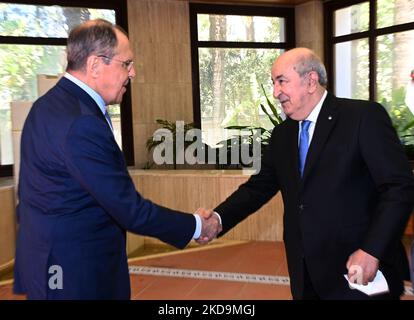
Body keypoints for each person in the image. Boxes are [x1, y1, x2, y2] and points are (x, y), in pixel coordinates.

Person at [13, 19, 221, 300]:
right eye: (127, 63)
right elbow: (129, 209)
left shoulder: (48, 105)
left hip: (49, 261)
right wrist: (196, 225)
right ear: (96, 64)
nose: (132, 73)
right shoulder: (80, 123)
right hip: (75, 274)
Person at [208, 48, 414, 299]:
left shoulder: (362, 117)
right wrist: (218, 218)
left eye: (281, 81)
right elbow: (258, 188)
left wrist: (372, 250)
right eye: (273, 83)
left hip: (359, 270)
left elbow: (399, 187)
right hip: (305, 272)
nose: (275, 92)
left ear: (311, 81)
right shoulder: (282, 135)